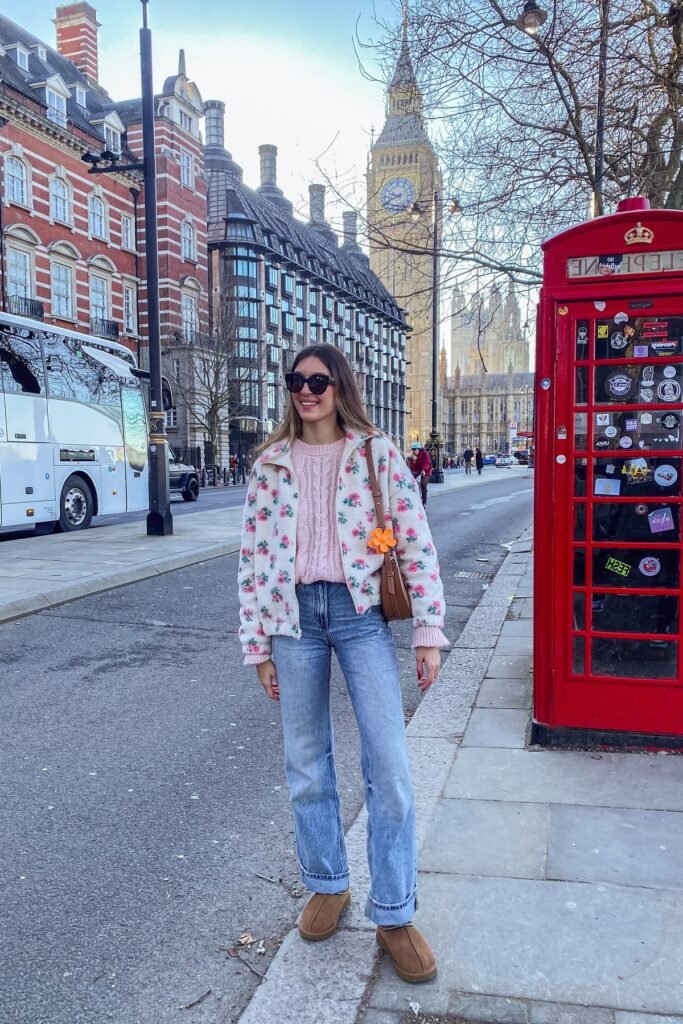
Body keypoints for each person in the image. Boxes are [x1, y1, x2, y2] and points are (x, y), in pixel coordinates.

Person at [238, 343, 449, 984]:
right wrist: (257, 646)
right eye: (297, 381)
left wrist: (429, 631)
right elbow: (251, 559)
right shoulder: (269, 463)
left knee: (389, 762)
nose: (307, 391)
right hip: (293, 619)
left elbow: (413, 537)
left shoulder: (376, 454)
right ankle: (327, 883)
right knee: (306, 763)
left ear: (340, 386)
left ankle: (393, 911)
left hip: (360, 616)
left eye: (319, 380)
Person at [407, 441, 432, 508]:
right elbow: (413, 467)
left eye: (415, 449)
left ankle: (424, 502)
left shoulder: (425, 453)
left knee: (423, 485)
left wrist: (423, 469)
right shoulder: (413, 456)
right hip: (417, 470)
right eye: (413, 450)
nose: (414, 451)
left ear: (419, 449)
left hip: (426, 470)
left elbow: (427, 463)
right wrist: (412, 461)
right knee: (409, 481)